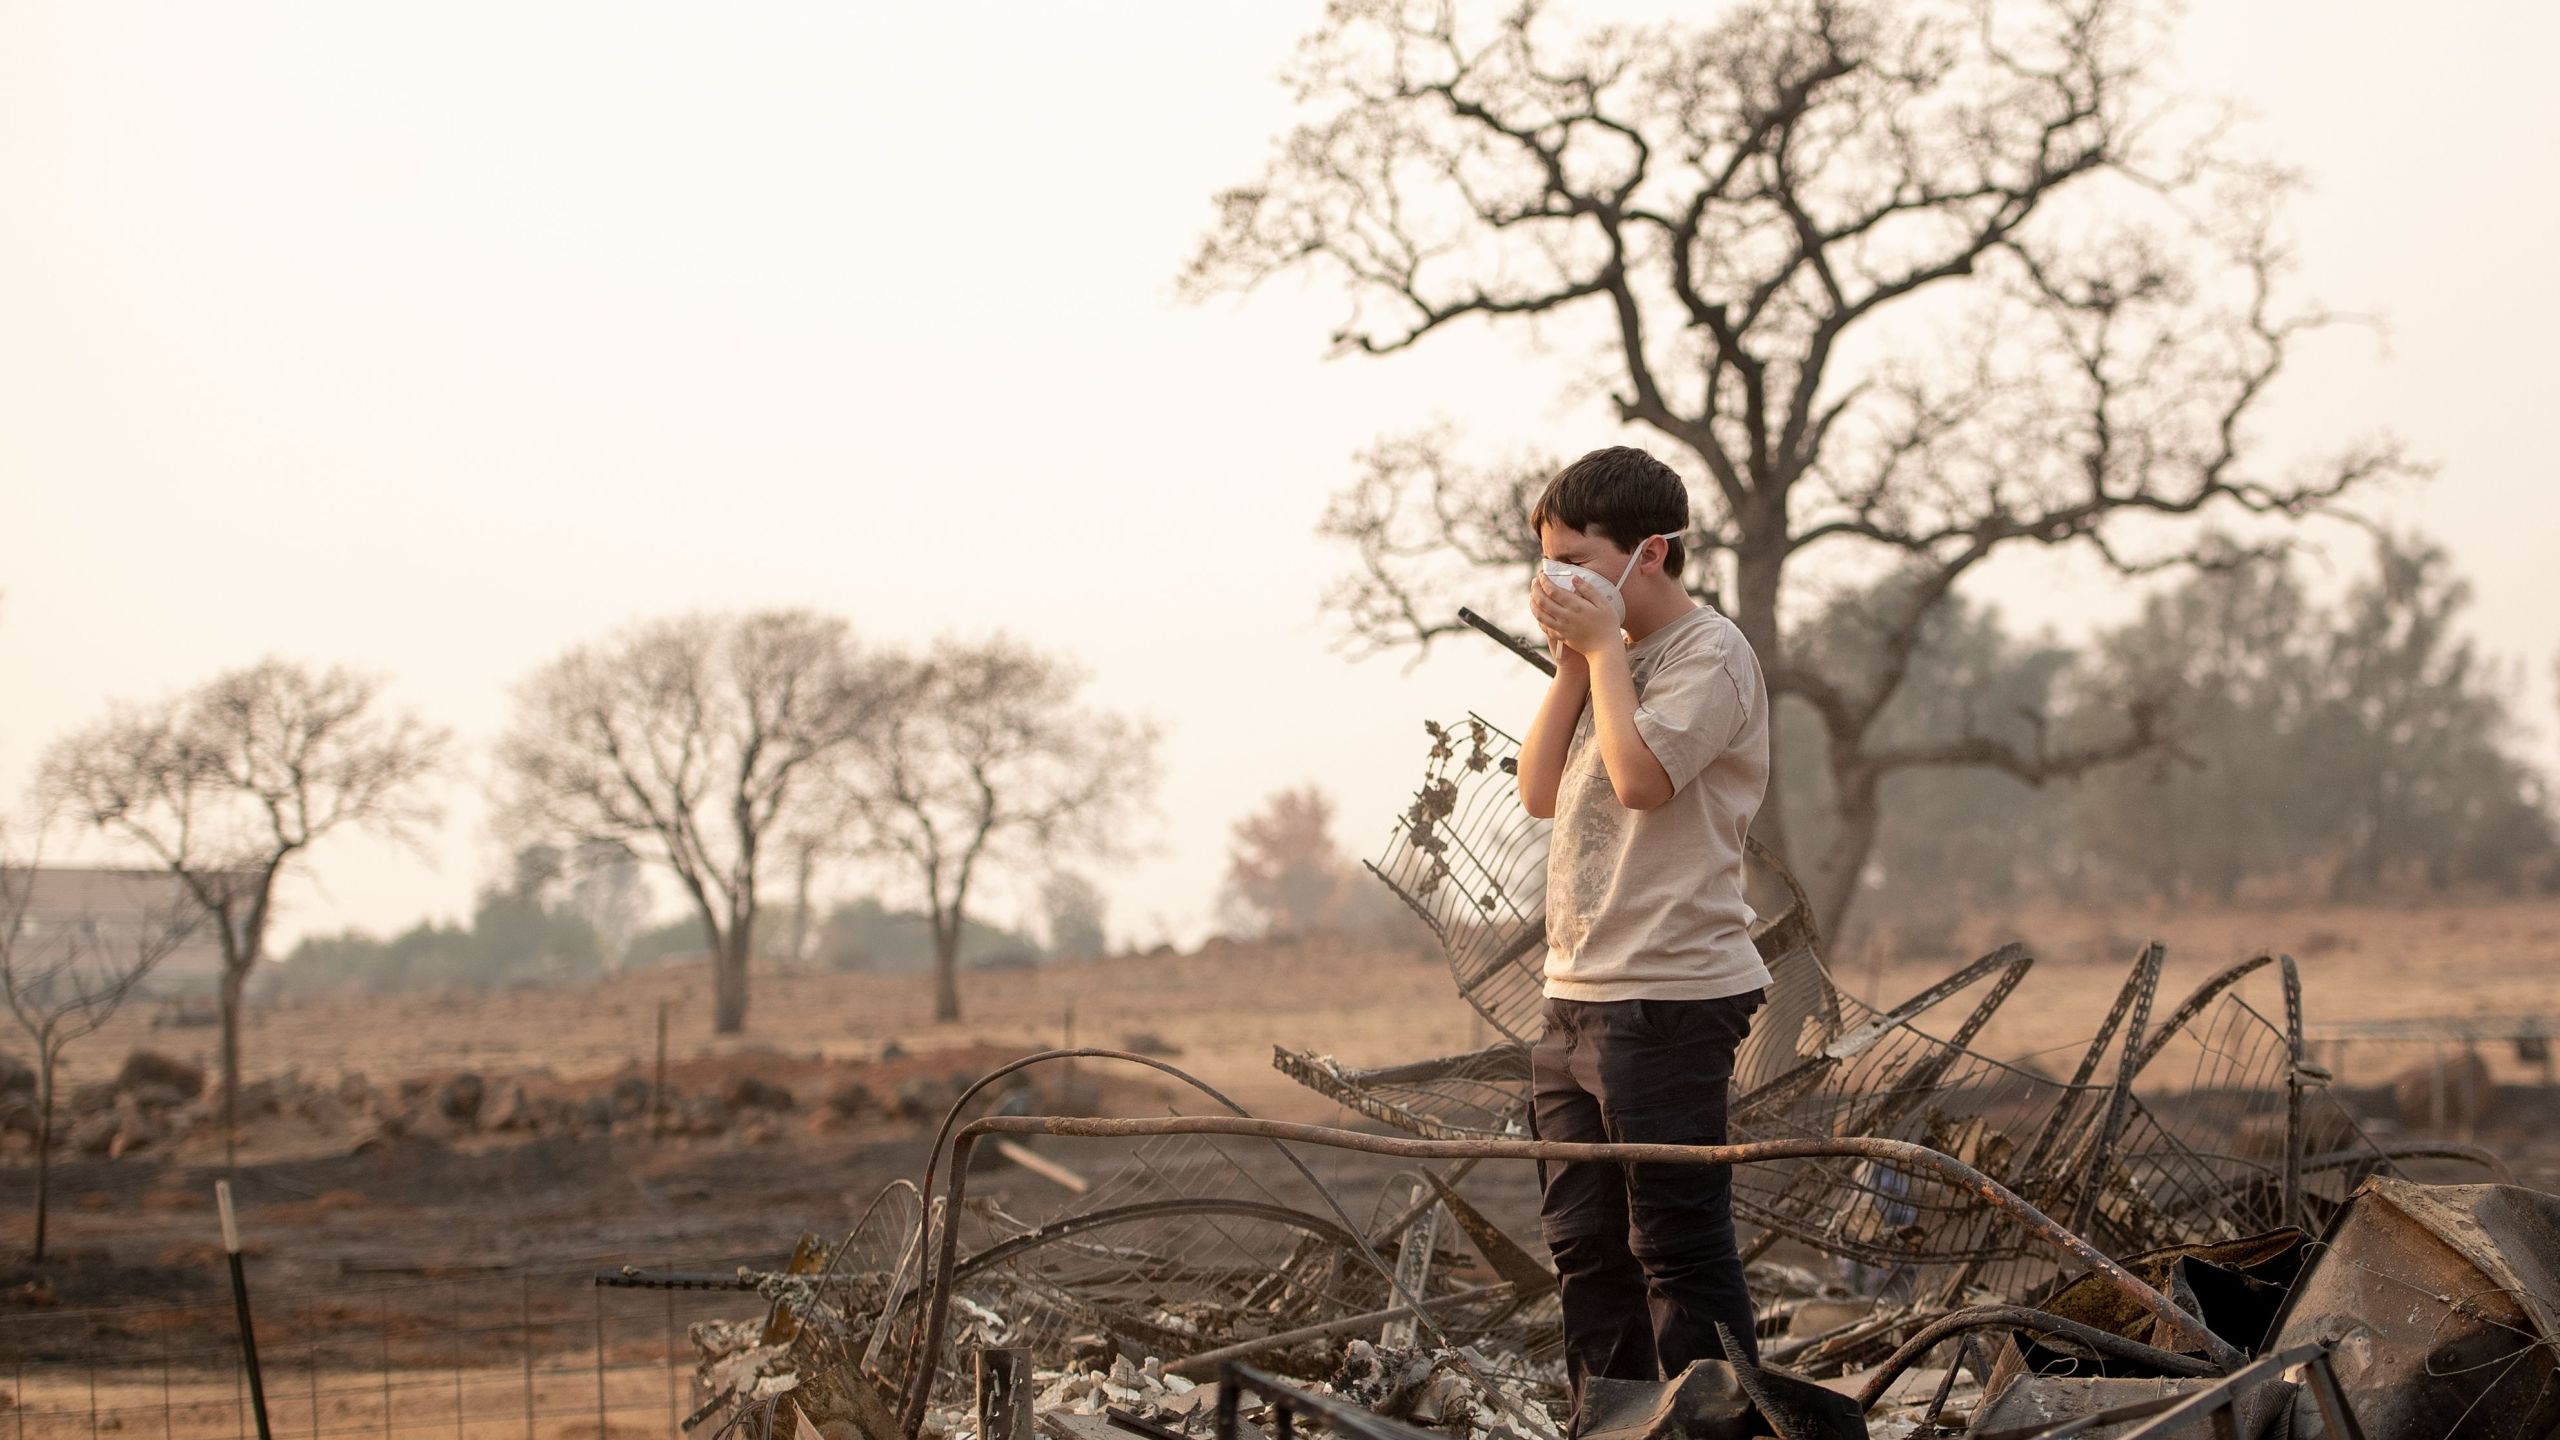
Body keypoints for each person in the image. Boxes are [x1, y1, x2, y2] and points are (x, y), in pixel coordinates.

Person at [1515, 445, 1772, 1416]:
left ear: (1650, 553)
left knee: (1672, 1244)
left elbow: (1638, 781)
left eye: (1578, 558)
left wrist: (1608, 655)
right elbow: (1540, 792)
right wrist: (1575, 665)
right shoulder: (1598, 662)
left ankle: (1716, 1427)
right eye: (1546, 561)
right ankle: (1614, 1425)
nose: (1556, 580)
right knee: (1583, 1247)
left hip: (1670, 993)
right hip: (1574, 994)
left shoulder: (1712, 657)